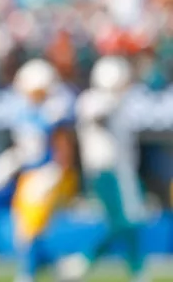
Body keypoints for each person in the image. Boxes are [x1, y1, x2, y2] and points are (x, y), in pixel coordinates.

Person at [0, 59, 79, 282]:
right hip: (29, 175)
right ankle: (60, 269)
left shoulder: (53, 112)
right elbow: (25, 149)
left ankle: (27, 274)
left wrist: (56, 171)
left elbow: (63, 146)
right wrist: (9, 163)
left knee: (30, 228)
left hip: (48, 173)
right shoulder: (22, 112)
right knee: (25, 230)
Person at [57, 57, 150, 282]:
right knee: (124, 221)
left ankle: (136, 270)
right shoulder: (95, 100)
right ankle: (84, 260)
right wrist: (113, 96)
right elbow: (98, 114)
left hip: (120, 170)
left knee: (131, 220)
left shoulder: (119, 102)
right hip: (107, 170)